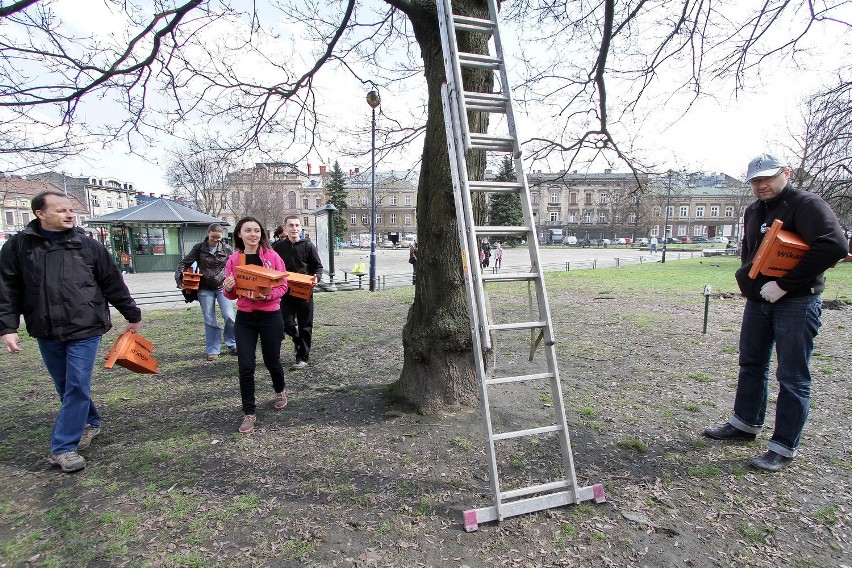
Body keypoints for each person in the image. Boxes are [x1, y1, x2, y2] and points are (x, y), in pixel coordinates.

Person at [703, 153, 848, 472]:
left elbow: (834, 245)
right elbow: (751, 250)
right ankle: (745, 423)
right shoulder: (754, 209)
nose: (761, 185)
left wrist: (785, 284)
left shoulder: (807, 204)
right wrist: (748, 282)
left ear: (787, 173)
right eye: (755, 180)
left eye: (767, 178)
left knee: (792, 375)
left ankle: (783, 446)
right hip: (759, 302)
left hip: (796, 301)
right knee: (751, 362)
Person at [0, 190, 142, 473]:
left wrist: (132, 314)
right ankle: (91, 421)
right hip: (46, 327)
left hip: (85, 326)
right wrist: (8, 327)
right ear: (40, 214)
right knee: (65, 384)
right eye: (61, 210)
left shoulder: (88, 246)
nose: (69, 214)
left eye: (70, 210)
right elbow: (7, 288)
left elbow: (112, 282)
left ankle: (63, 447)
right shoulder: (18, 247)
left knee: (76, 383)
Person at [222, 217, 289, 434]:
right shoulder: (233, 260)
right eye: (248, 230)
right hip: (245, 318)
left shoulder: (272, 256)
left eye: (257, 231)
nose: (253, 234)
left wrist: (268, 295)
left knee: (272, 361)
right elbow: (230, 294)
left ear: (262, 234)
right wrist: (228, 287)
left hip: (270, 316)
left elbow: (283, 285)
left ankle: (279, 390)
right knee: (246, 366)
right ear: (239, 234)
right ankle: (249, 412)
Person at [175, 223, 236, 361]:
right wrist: (179, 278)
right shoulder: (199, 248)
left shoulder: (226, 249)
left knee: (229, 316)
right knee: (210, 319)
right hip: (204, 288)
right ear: (208, 233)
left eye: (219, 238)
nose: (216, 240)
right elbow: (184, 263)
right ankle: (213, 349)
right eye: (213, 237)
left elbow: (235, 265)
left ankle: (232, 344)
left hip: (222, 286)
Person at [272, 215, 322, 370]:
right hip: (285, 291)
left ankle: (302, 357)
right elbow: (272, 267)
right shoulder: (278, 247)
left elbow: (318, 267)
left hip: (304, 291)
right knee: (286, 324)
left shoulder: (308, 245)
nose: (294, 229)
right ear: (285, 228)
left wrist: (316, 277)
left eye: (297, 225)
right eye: (291, 226)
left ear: (301, 228)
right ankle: (299, 342)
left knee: (305, 325)